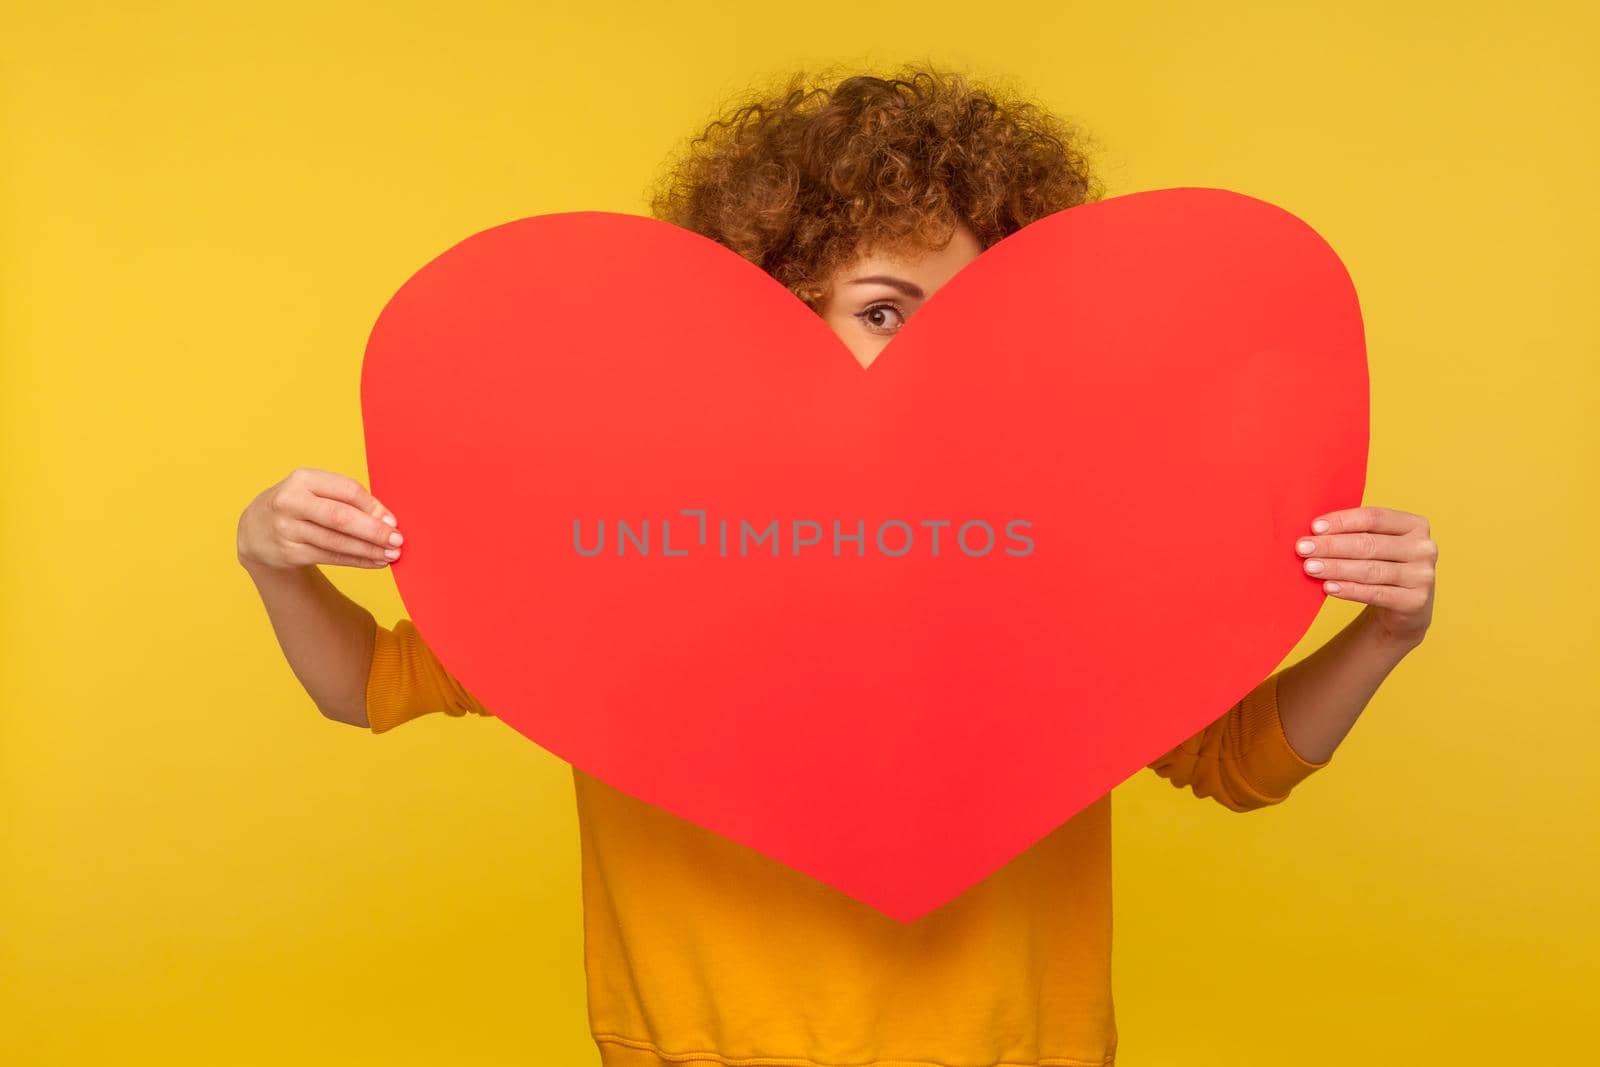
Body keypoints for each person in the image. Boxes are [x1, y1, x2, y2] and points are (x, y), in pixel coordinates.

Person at [236, 63, 1437, 1067]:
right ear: (770, 308)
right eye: (885, 308)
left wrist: (1378, 631)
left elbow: (1234, 762)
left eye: (979, 319)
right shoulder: (629, 540)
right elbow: (371, 685)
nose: (937, 354)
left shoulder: (1070, 539)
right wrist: (279, 560)